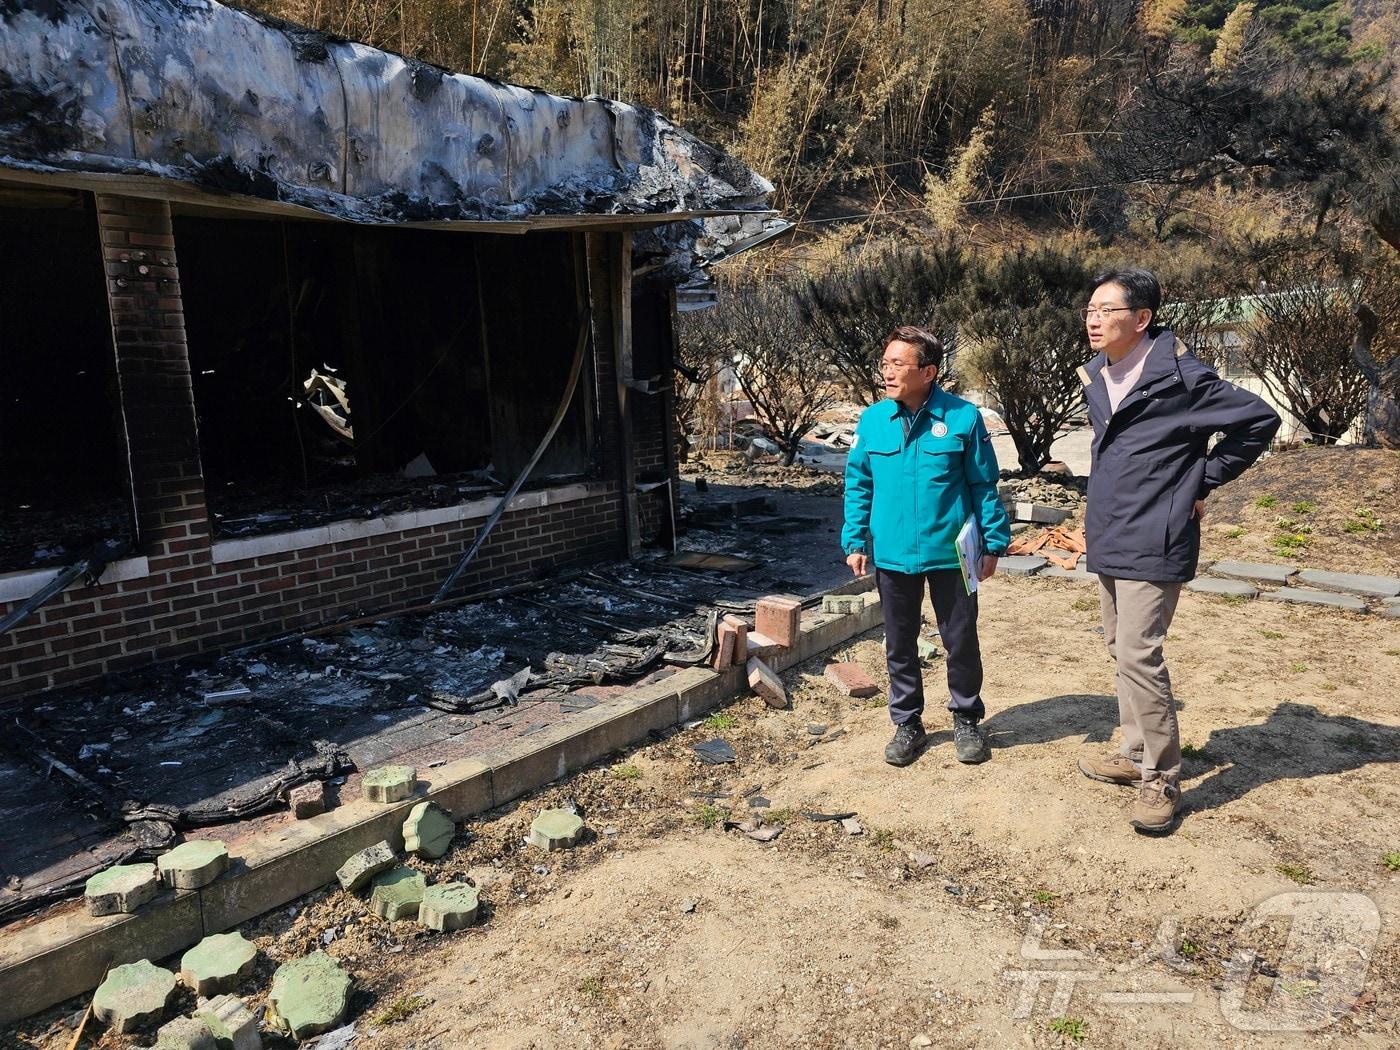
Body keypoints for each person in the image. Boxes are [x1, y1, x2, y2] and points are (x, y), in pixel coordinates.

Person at [1077, 268, 1280, 834]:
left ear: (1141, 318)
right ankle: (1134, 750)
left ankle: (1161, 778)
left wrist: (1201, 481)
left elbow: (1259, 421)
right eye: (1089, 310)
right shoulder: (1098, 374)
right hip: (1110, 528)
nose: (1094, 319)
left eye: (1107, 310)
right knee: (1119, 647)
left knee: (1139, 653)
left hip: (1156, 534)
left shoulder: (1183, 379)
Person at [842, 325, 1011, 766]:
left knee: (961, 639)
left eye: (898, 364)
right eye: (885, 363)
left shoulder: (962, 418)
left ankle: (966, 718)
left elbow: (983, 484)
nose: (887, 372)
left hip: (950, 555)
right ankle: (907, 723)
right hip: (893, 554)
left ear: (928, 372)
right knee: (899, 643)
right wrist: (855, 539)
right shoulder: (873, 421)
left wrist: (993, 542)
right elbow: (858, 485)